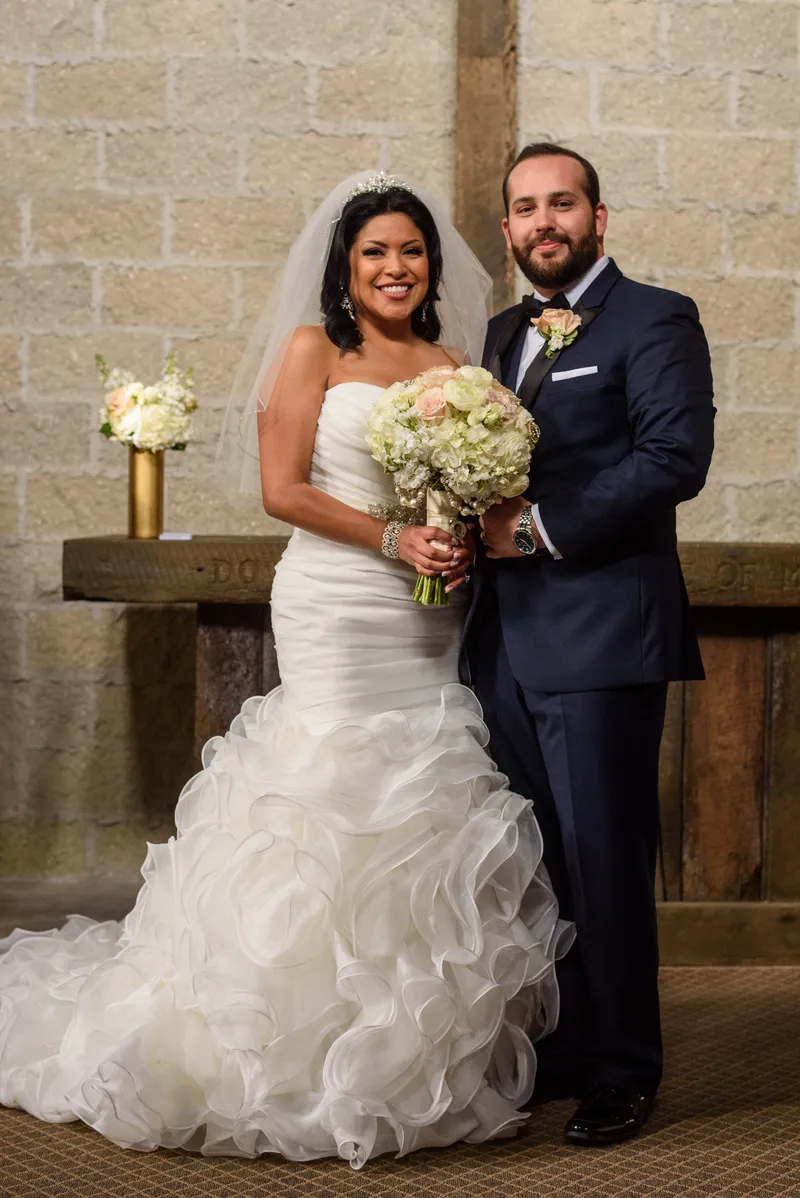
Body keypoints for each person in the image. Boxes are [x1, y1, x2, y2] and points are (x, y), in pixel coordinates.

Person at [0, 173, 570, 1168]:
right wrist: (395, 539)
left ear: (430, 265)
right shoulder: (316, 349)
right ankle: (281, 1051)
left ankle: (414, 1052)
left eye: (410, 251)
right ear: (344, 271)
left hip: (429, 617)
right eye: (374, 254)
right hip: (340, 608)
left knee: (426, 790)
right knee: (333, 787)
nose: (395, 268)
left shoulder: (449, 364)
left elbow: (468, 486)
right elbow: (282, 489)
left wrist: (453, 539)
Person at [464, 143, 715, 1146]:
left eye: (559, 203)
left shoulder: (655, 318)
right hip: (503, 644)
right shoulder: (495, 334)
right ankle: (566, 1048)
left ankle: (623, 1068)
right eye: (523, 208)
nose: (542, 222)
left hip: (603, 631)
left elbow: (671, 457)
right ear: (507, 229)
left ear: (596, 217)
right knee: (540, 862)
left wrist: (530, 528)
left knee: (604, 859)